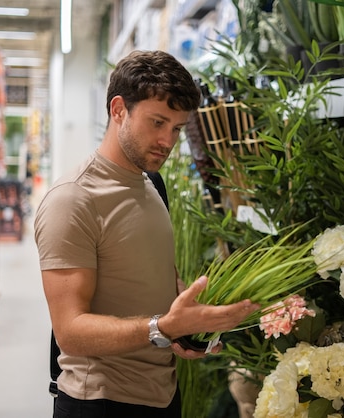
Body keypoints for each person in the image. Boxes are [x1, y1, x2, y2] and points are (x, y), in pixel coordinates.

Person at [34, 49, 260, 418]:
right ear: (118, 109)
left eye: (175, 128)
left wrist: (187, 325)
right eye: (157, 122)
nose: (167, 141)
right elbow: (70, 331)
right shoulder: (73, 199)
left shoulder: (152, 184)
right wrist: (162, 327)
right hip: (100, 402)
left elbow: (152, 278)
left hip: (162, 395)